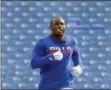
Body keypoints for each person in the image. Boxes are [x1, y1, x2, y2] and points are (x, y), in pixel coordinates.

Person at [31, 16, 83, 90]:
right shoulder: (42, 43)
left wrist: (79, 68)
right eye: (56, 24)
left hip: (67, 86)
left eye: (62, 24)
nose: (60, 26)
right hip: (47, 86)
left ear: (65, 27)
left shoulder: (72, 42)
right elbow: (34, 63)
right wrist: (51, 57)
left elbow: (78, 62)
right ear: (50, 28)